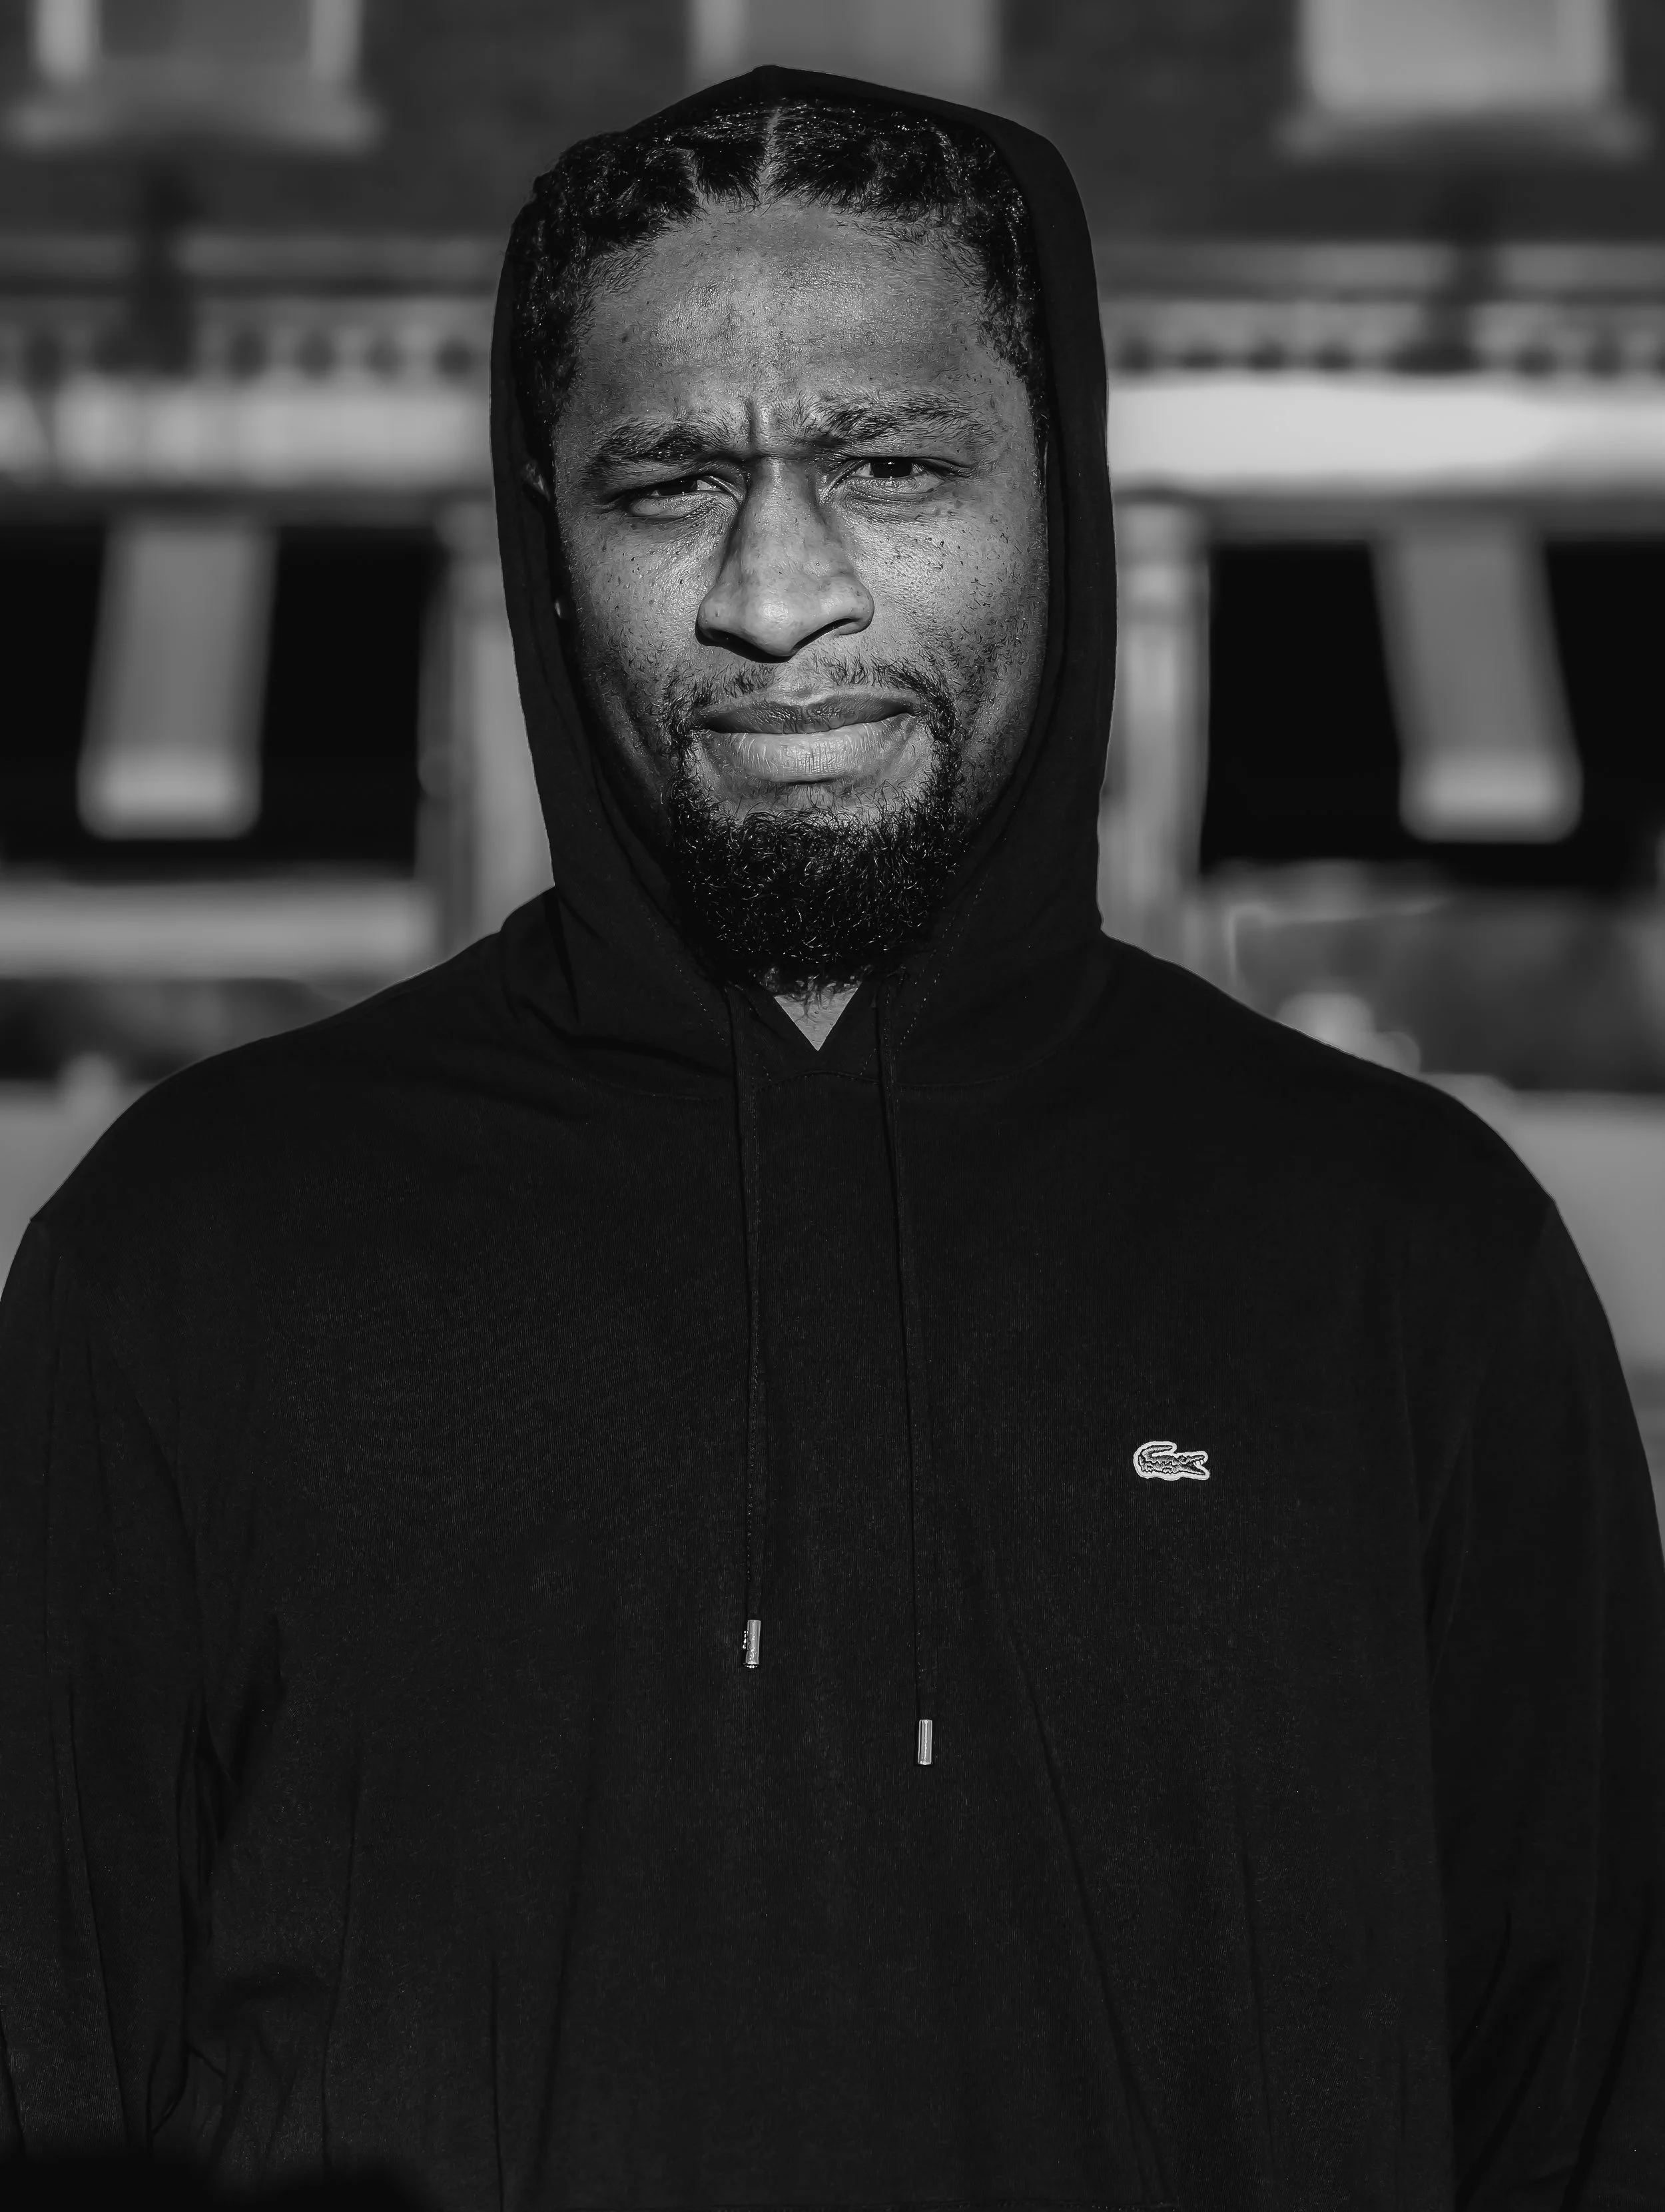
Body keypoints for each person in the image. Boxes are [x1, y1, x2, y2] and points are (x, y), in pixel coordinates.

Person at [3, 63, 1663, 2212]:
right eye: (668, 481)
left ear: (1056, 495)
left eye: (888, 465)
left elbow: (1591, 2099)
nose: (776, 594)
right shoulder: (193, 1250)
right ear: (548, 543)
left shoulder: (1404, 1249)